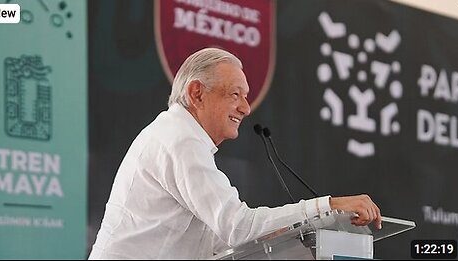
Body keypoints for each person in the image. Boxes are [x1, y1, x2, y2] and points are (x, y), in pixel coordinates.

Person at [89, 47, 382, 259]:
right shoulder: (180, 139)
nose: (246, 107)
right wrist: (329, 207)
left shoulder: (178, 136)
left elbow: (218, 243)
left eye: (246, 96)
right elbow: (239, 227)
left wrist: (296, 242)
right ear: (196, 93)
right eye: (234, 94)